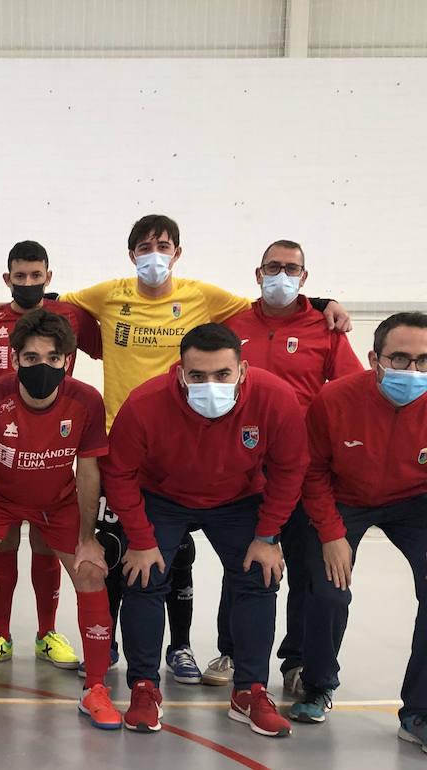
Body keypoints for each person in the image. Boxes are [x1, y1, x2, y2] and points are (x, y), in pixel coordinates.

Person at [48, 214, 348, 685]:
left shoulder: (212, 308)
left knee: (251, 570)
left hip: (234, 484)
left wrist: (324, 303)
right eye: (144, 246)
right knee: (131, 561)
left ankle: (234, 675)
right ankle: (129, 670)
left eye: (163, 245)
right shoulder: (114, 306)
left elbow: (264, 310)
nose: (154, 255)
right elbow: (51, 301)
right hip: (143, 460)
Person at [104, 323, 307, 737]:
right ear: (180, 372)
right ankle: (143, 686)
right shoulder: (145, 404)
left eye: (222, 375)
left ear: (242, 371)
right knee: (143, 576)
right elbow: (119, 473)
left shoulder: (275, 399)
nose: (209, 384)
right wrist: (141, 540)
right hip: (162, 496)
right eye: (197, 376)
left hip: (239, 499)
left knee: (258, 577)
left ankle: (249, 690)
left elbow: (290, 469)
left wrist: (268, 537)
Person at [0, 309, 121, 729]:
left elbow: (89, 469)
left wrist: (88, 536)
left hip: (57, 503)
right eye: (32, 358)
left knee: (92, 572)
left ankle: (95, 688)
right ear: (15, 358)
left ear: (67, 361)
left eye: (53, 359)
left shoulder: (86, 400)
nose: (43, 366)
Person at [195, 240, 362, 690]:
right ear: (257, 273)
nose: (282, 275)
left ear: (304, 277)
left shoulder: (325, 328)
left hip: (304, 472)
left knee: (307, 572)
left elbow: (348, 391)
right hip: (246, 474)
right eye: (274, 267)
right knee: (246, 565)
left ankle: (296, 661)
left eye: (291, 268)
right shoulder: (231, 324)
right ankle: (231, 652)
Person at [293, 312, 427, 754]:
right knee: (329, 589)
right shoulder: (334, 400)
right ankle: (318, 685)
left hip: (415, 502)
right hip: (344, 498)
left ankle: (418, 713)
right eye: (401, 359)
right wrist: (331, 534)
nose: (413, 372)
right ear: (374, 359)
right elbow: (311, 473)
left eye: (424, 361)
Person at [0, 240, 103, 671]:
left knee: (47, 546)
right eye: (19, 276)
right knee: (2, 543)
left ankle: (47, 633)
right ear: (7, 279)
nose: (28, 282)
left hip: (55, 452)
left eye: (36, 275)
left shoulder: (72, 317)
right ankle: (0, 634)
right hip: (4, 453)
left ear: (49, 276)